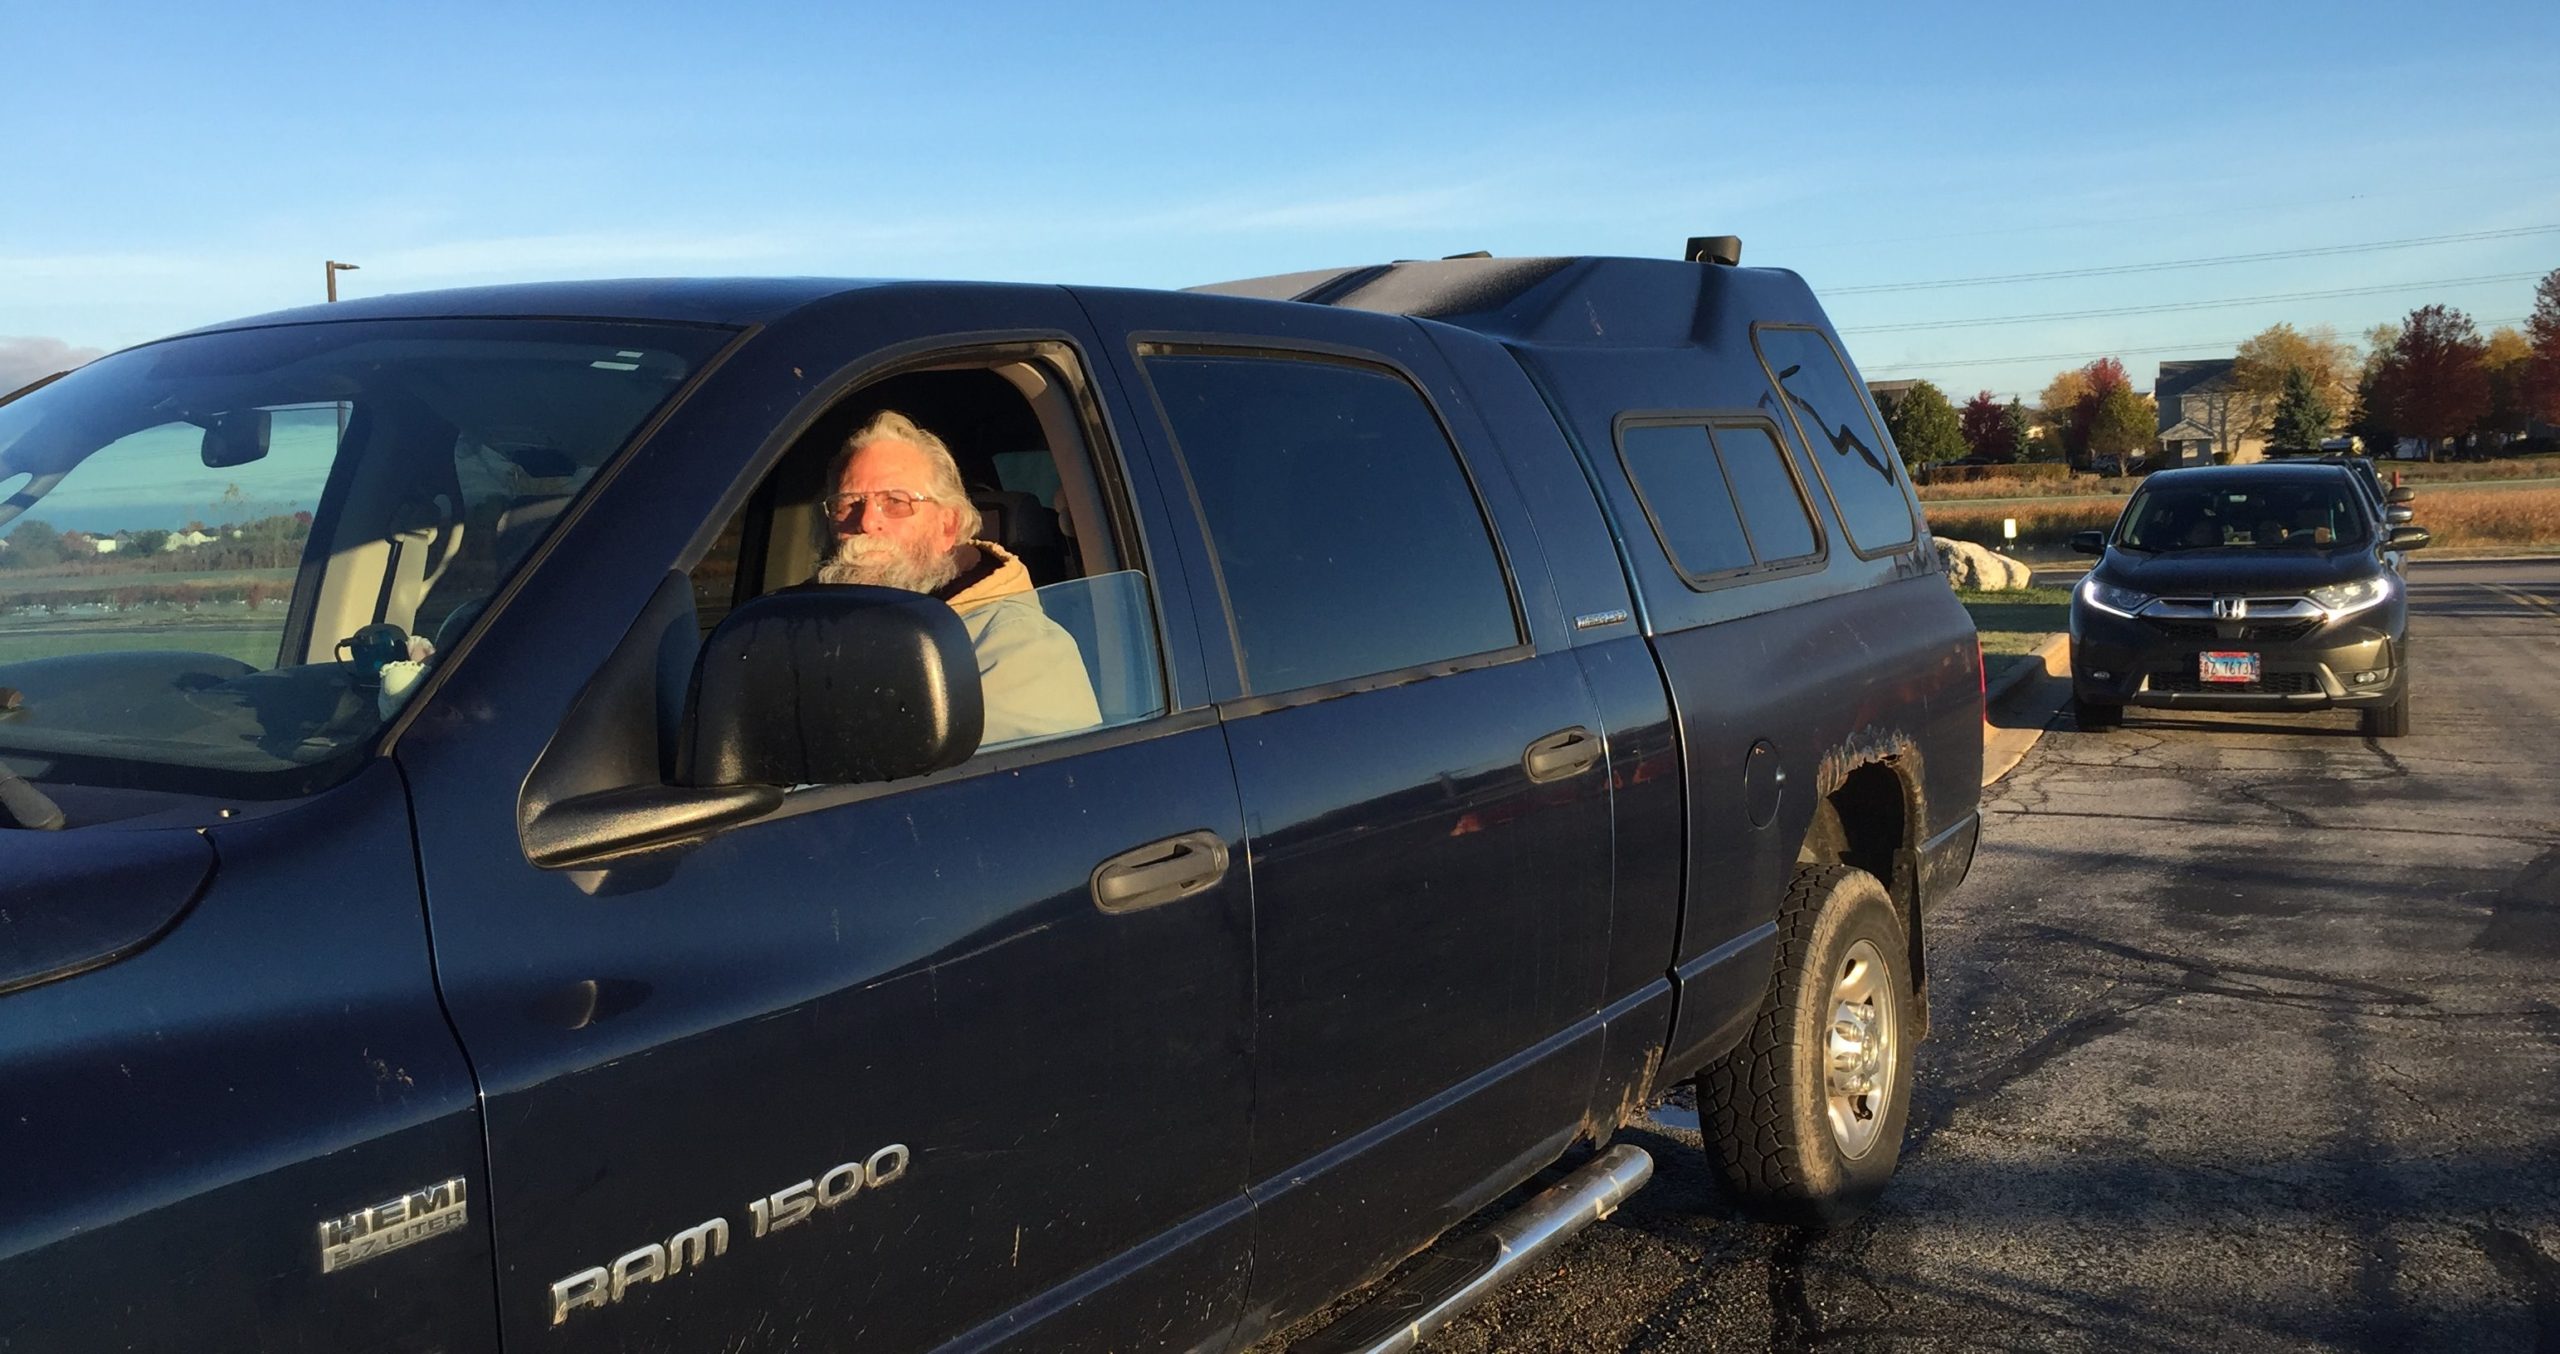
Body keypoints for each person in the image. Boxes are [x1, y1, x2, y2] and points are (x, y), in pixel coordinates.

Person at [813, 410, 1101, 747]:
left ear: (947, 527)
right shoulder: (800, 628)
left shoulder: (1018, 648)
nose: (866, 522)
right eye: (848, 503)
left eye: (895, 501)